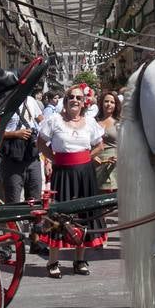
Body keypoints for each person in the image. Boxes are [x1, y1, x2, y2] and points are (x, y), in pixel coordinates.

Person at [36, 96, 105, 277]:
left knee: (83, 215)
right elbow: (41, 142)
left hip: (85, 174)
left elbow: (100, 145)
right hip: (63, 173)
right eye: (72, 97)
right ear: (65, 102)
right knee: (59, 216)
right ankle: (52, 262)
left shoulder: (90, 122)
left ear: (84, 103)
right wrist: (53, 158)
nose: (75, 100)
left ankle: (80, 260)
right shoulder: (55, 120)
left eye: (79, 98)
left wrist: (85, 158)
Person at [94, 91, 120, 191]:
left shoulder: (120, 123)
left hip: (115, 165)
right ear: (101, 103)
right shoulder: (93, 122)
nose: (109, 104)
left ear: (116, 105)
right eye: (106, 101)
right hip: (97, 164)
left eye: (112, 102)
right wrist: (93, 156)